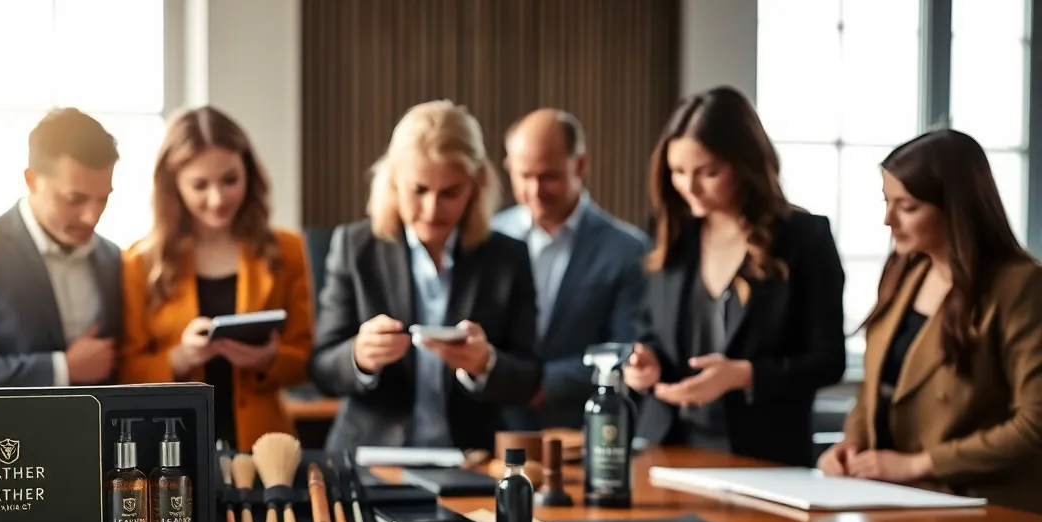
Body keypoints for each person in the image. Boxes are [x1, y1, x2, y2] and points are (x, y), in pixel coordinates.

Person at [818, 130, 1042, 513]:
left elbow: (1034, 424)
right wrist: (851, 445)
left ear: (956, 209)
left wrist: (917, 464)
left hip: (981, 509)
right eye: (887, 202)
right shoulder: (904, 270)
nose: (888, 220)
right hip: (890, 499)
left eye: (907, 207)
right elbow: (877, 385)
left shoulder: (1021, 285)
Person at [623, 86, 846, 466]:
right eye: (678, 172)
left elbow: (829, 360)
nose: (690, 187)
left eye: (709, 172)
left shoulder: (805, 239)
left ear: (746, 165)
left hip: (765, 456)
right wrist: (647, 362)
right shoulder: (672, 237)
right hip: (668, 449)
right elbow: (651, 333)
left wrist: (743, 374)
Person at [309, 100, 541, 452]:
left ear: (475, 186)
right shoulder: (356, 247)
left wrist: (486, 363)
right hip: (372, 457)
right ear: (393, 183)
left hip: (471, 458)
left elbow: (530, 378)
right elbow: (322, 368)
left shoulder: (507, 257)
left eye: (450, 192)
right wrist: (358, 356)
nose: (432, 209)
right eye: (418, 190)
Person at [118, 106, 313, 451]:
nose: (217, 198)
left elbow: (307, 359)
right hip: (171, 447)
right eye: (199, 185)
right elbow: (125, 372)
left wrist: (267, 359)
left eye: (230, 180)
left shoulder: (287, 249)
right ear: (173, 185)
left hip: (265, 446)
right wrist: (180, 357)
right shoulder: (139, 263)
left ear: (249, 173)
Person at [0, 108, 122, 388]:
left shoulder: (112, 257)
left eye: (103, 199)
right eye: (75, 199)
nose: (92, 216)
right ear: (32, 180)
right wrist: (63, 368)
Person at [492, 108, 649, 429]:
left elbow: (626, 351)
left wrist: (535, 385)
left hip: (585, 429)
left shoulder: (628, 251)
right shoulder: (488, 239)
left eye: (549, 176)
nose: (535, 190)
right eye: (524, 176)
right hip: (495, 430)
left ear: (580, 165)